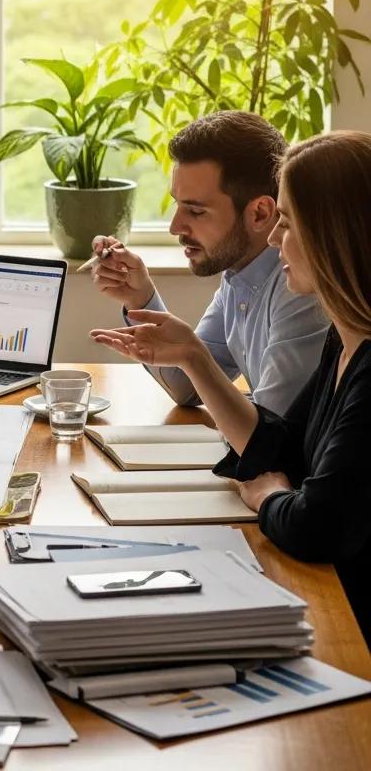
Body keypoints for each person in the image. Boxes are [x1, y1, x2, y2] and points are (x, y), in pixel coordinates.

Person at [90, 130, 371, 641]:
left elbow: (312, 518)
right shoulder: (342, 335)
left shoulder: (327, 321)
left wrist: (267, 494)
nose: (273, 240)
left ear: (332, 235)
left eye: (287, 223)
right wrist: (166, 325)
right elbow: (277, 440)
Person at [88, 111, 328, 416]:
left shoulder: (301, 292)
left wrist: (193, 356)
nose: (175, 227)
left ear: (259, 214)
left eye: (196, 211)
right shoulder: (239, 275)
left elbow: (269, 439)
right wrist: (139, 296)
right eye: (178, 205)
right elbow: (186, 387)